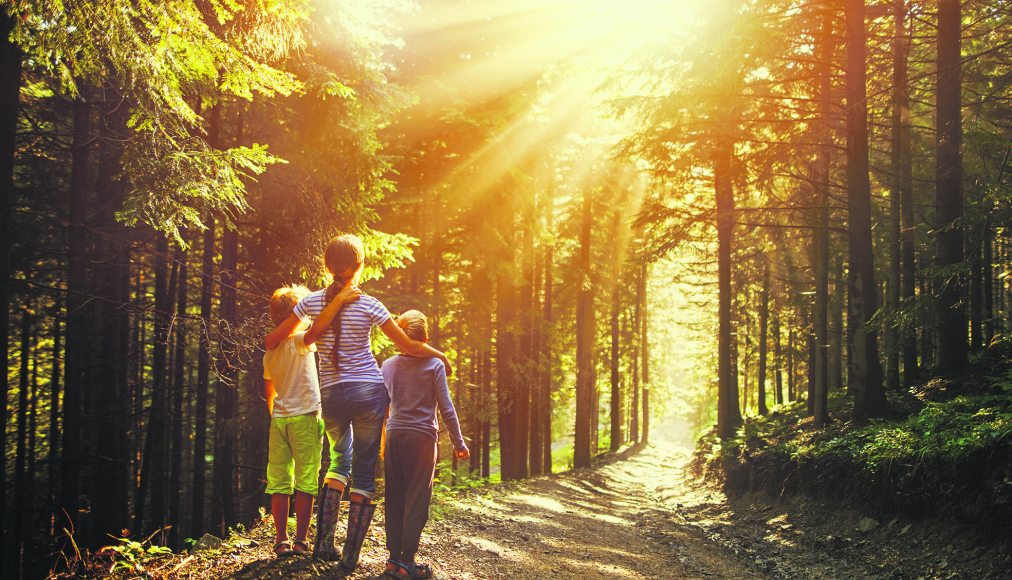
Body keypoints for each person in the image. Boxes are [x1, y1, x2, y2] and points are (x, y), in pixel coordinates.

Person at [264, 234, 452, 570]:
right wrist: (441, 356)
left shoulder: (310, 304)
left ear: (326, 266)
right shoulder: (370, 304)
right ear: (359, 266)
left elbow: (274, 339)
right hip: (368, 392)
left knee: (338, 461)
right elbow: (409, 346)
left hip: (332, 395)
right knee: (364, 474)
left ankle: (323, 544)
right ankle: (349, 557)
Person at [262, 283, 359, 557]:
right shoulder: (299, 341)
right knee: (306, 479)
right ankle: (301, 540)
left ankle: (280, 540)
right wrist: (338, 300)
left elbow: (269, 392)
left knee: (279, 481)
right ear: (297, 315)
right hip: (305, 416)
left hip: (279, 420)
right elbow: (317, 332)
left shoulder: (270, 352)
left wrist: (278, 415)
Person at [381, 310, 468, 579]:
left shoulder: (388, 365)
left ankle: (394, 560)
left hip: (395, 435)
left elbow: (381, 407)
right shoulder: (435, 365)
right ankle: (408, 562)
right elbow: (446, 406)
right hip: (422, 440)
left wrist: (380, 439)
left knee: (394, 497)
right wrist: (458, 442)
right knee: (417, 500)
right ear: (426, 337)